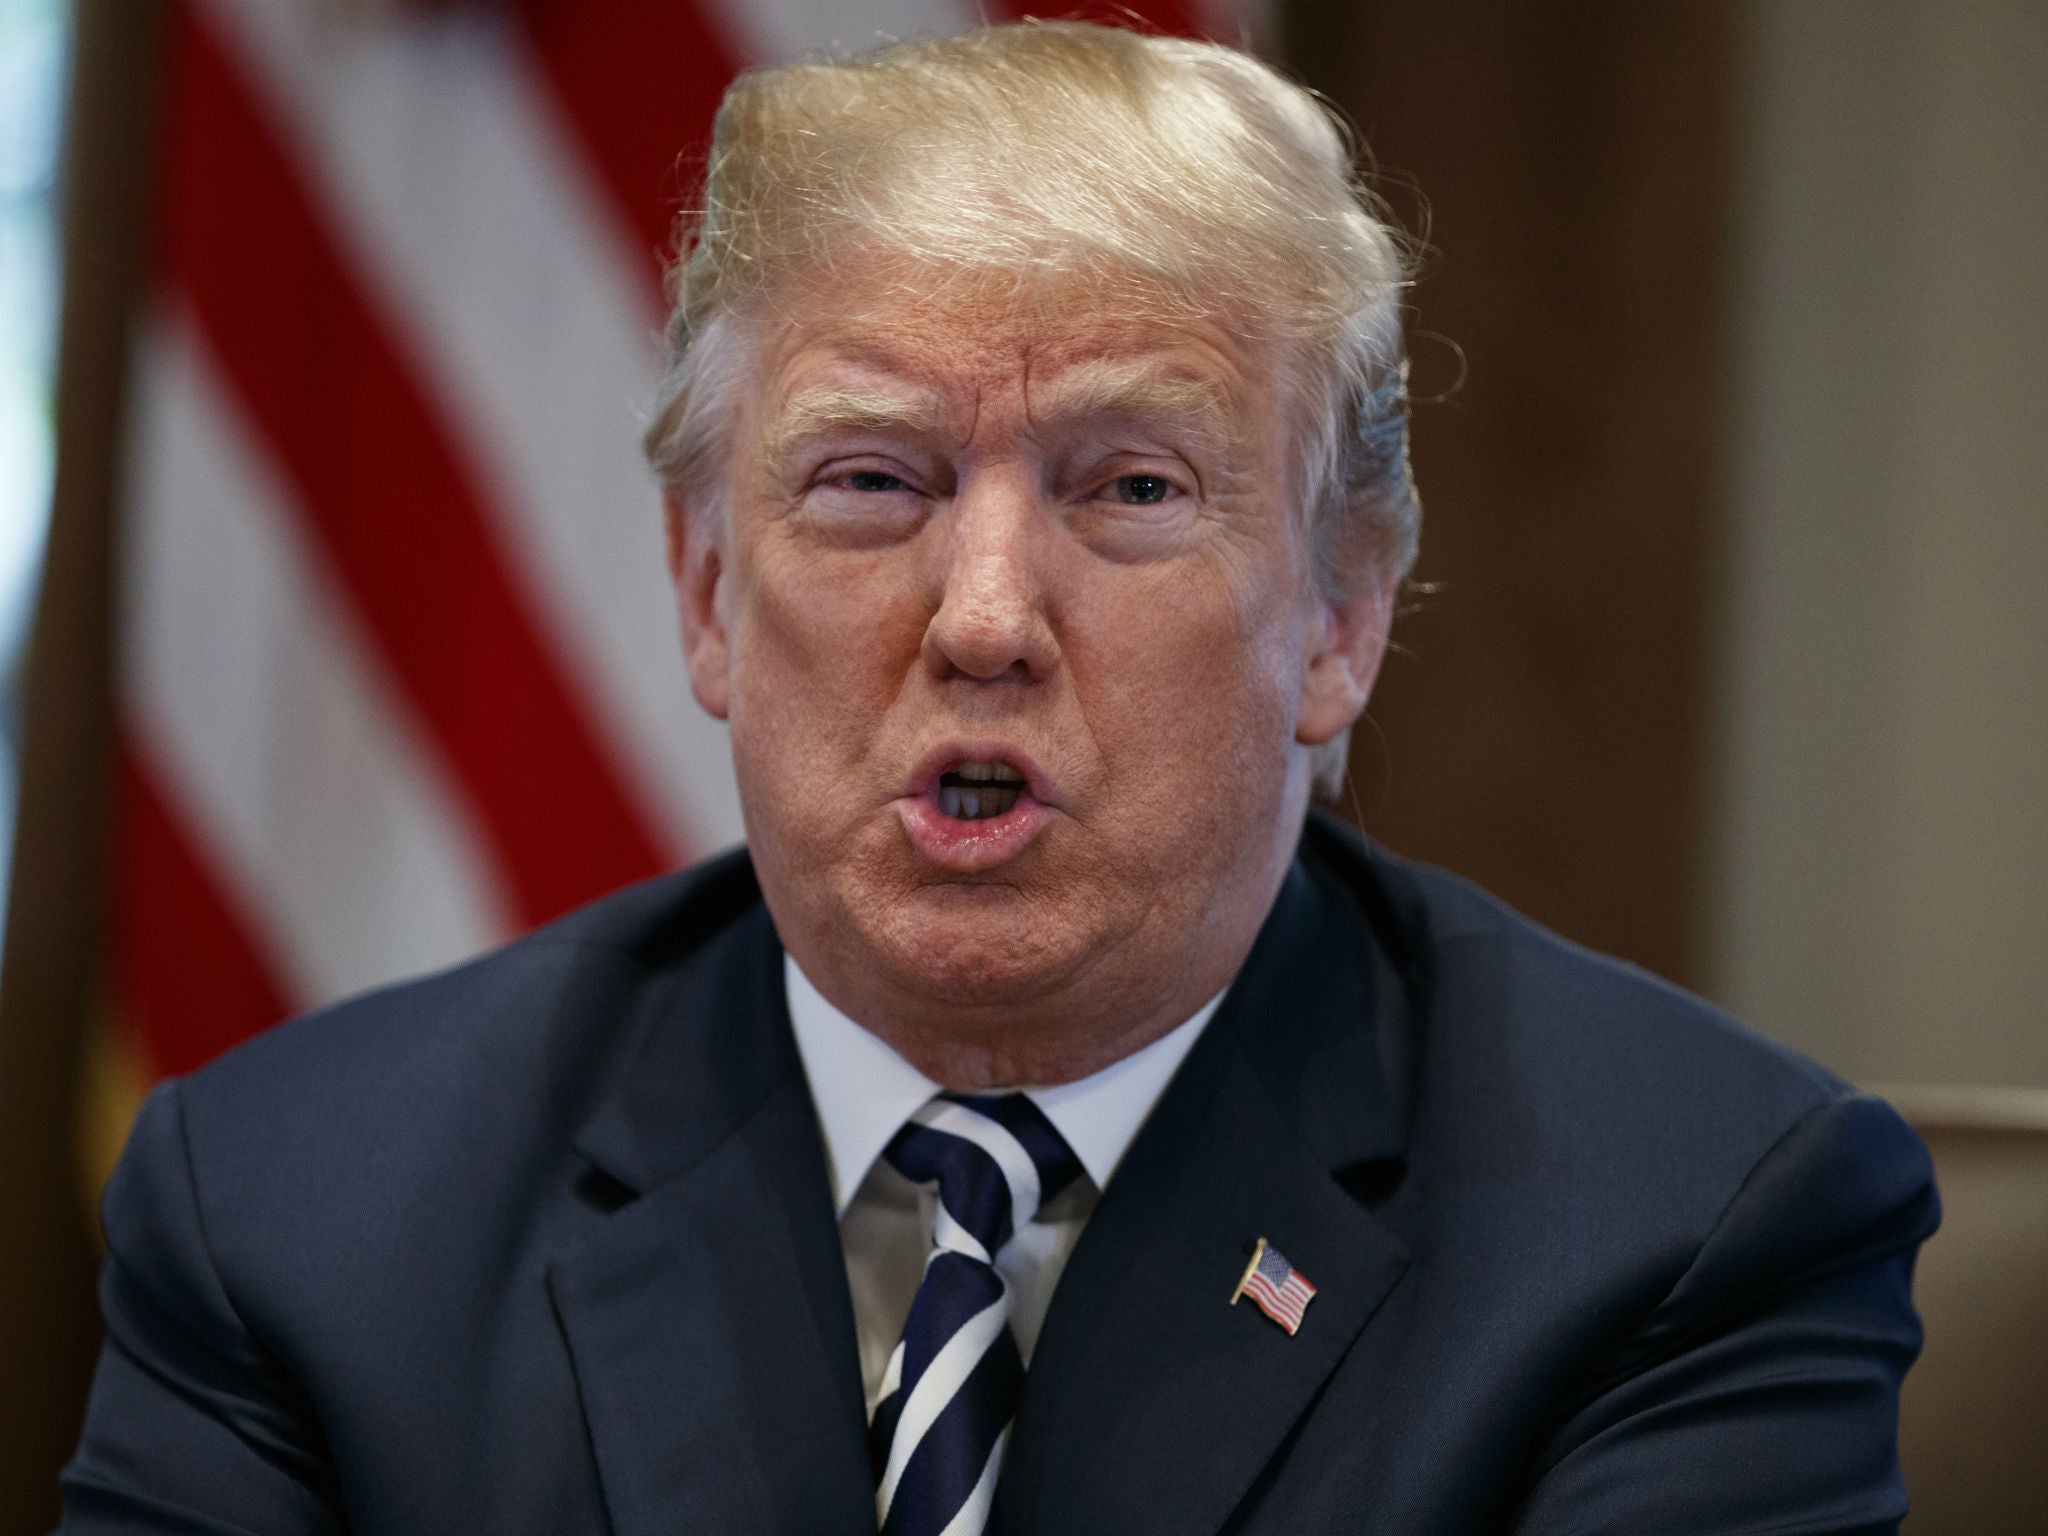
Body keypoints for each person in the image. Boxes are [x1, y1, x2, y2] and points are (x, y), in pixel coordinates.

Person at [61, 21, 1937, 1535]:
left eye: (1130, 489)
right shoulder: (297, 1218)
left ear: (1341, 618)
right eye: (871, 481)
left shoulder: (1684, 1231)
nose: (981, 620)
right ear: (709, 595)